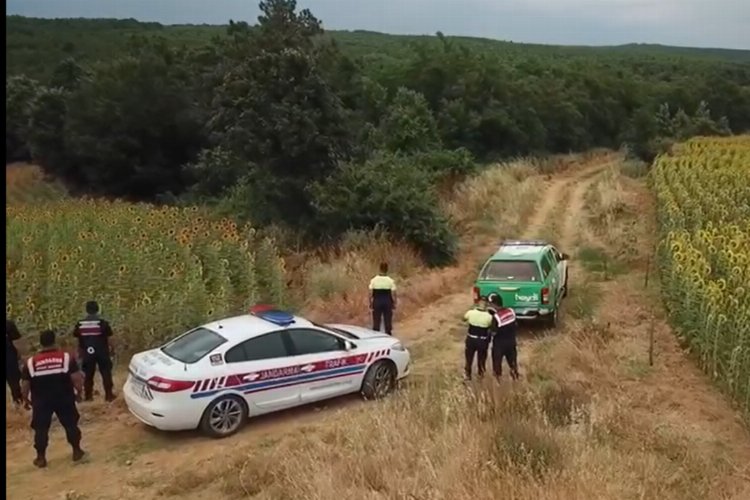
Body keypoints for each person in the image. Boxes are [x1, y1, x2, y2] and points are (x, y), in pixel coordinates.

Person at [21, 329, 85, 468]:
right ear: (54, 341)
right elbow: (76, 378)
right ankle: (77, 450)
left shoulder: (31, 363)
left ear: (41, 343)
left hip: (41, 401)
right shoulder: (66, 358)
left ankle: (41, 457)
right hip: (64, 397)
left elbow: (25, 384)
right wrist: (79, 393)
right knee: (70, 424)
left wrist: (26, 400)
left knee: (41, 429)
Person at [72, 300, 116, 401]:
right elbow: (110, 339)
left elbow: (78, 340)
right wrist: (112, 350)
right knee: (106, 373)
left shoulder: (80, 324)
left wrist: (79, 352)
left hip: (87, 353)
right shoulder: (102, 323)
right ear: (97, 310)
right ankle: (109, 395)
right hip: (102, 352)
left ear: (86, 310)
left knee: (88, 375)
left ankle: (88, 396)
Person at [488, 294, 520, 380]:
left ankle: (498, 383)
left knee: (497, 366)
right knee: (513, 364)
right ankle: (515, 379)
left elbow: (493, 332)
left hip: (499, 345)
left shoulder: (496, 317)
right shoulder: (511, 311)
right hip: (511, 343)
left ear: (494, 304)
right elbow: (516, 325)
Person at [462, 297, 494, 381]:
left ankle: (467, 374)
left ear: (477, 304)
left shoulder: (470, 313)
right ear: (486, 305)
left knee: (469, 358)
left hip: (471, 338)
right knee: (481, 359)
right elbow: (491, 327)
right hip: (483, 340)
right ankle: (480, 374)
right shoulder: (489, 317)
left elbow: (464, 319)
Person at [369, 262, 397, 335]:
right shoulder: (390, 280)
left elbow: (370, 292)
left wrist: (370, 302)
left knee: (376, 319)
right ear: (387, 269)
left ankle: (376, 333)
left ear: (379, 269)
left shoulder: (374, 280)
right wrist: (394, 303)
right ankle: (388, 333)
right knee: (387, 319)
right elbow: (394, 293)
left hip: (377, 300)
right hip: (387, 300)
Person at [6, 319, 24, 406]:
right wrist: (20, 356)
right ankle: (18, 405)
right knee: (15, 385)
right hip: (10, 360)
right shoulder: (8, 324)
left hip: (10, 360)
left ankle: (18, 405)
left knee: (15, 385)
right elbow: (17, 342)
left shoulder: (9, 324)